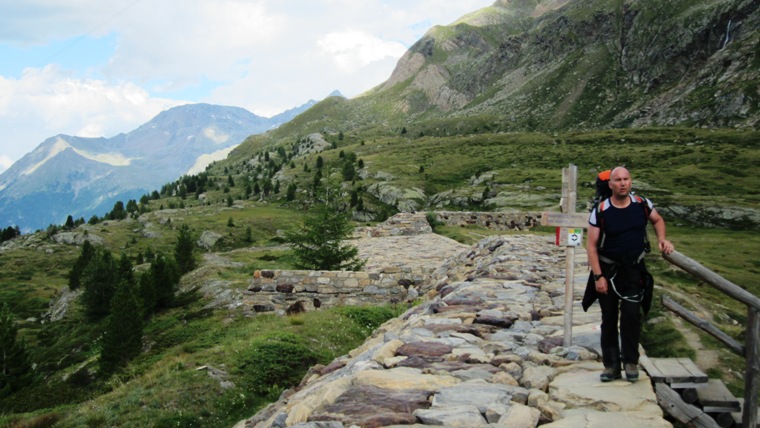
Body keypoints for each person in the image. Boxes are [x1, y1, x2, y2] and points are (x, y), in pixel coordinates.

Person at [583, 166, 674, 382]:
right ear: (611, 184)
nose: (623, 183)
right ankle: (611, 366)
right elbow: (591, 246)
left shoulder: (642, 204)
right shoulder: (601, 210)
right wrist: (598, 277)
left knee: (632, 317)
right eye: (618, 180)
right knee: (609, 318)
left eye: (626, 179)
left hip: (634, 270)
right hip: (607, 270)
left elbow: (658, 220)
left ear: (630, 182)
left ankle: (631, 362)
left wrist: (662, 238)